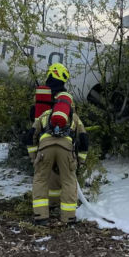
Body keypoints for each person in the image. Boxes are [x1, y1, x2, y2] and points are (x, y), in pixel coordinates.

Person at [26, 63, 89, 226]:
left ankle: (41, 216)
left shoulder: (44, 109)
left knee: (41, 179)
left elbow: (29, 135)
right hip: (66, 147)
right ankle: (68, 217)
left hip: (44, 146)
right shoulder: (71, 112)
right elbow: (84, 138)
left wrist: (34, 157)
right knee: (68, 180)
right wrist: (80, 160)